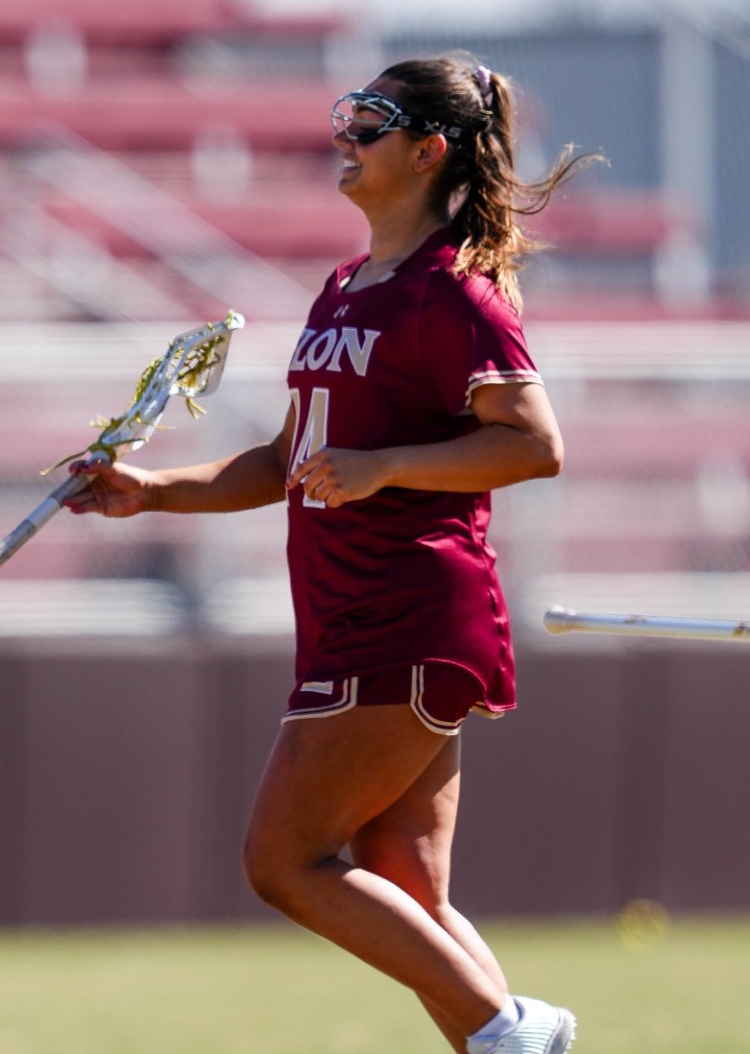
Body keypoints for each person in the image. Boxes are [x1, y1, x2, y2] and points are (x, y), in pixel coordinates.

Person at [63, 54, 596, 1054]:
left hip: (408, 610)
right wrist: (149, 495)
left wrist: (387, 463)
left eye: (371, 122)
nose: (344, 139)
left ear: (430, 150)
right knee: (404, 888)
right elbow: (287, 461)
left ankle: (510, 1033)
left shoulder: (456, 296)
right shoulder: (348, 285)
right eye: (345, 115)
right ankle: (513, 1038)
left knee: (282, 858)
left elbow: (535, 445)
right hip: (355, 615)